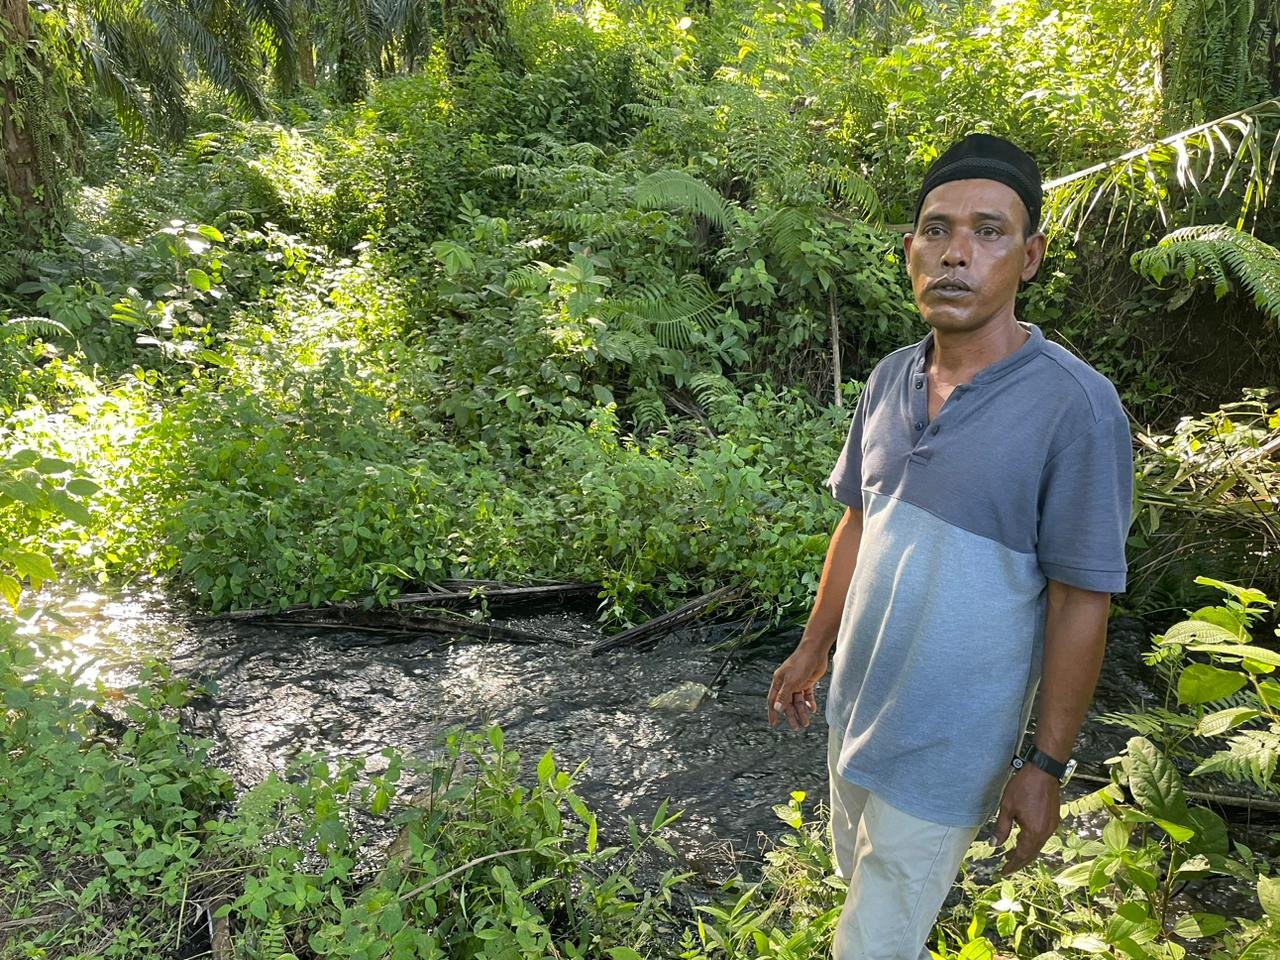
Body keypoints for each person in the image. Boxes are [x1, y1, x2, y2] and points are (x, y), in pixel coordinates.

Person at [766, 134, 1134, 960]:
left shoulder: (1077, 409)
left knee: (871, 944)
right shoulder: (888, 379)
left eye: (988, 231)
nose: (956, 253)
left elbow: (1081, 600)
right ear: (910, 252)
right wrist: (812, 649)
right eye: (936, 230)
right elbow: (859, 523)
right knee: (857, 878)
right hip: (856, 711)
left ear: (1030, 256)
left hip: (948, 748)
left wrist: (1045, 766)